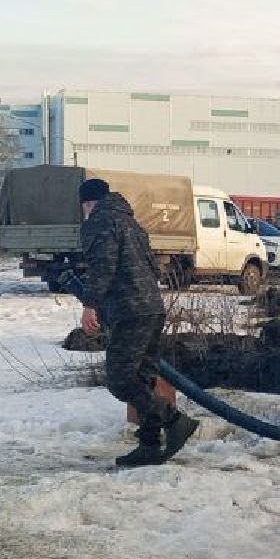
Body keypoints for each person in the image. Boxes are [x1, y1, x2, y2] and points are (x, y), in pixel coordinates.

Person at [76, 177, 198, 467]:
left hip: (129, 311)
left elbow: (103, 267)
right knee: (142, 378)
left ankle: (174, 420)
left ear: (87, 203)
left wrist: (90, 305)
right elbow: (153, 268)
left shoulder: (99, 222)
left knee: (119, 379)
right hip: (152, 308)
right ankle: (150, 445)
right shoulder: (131, 223)